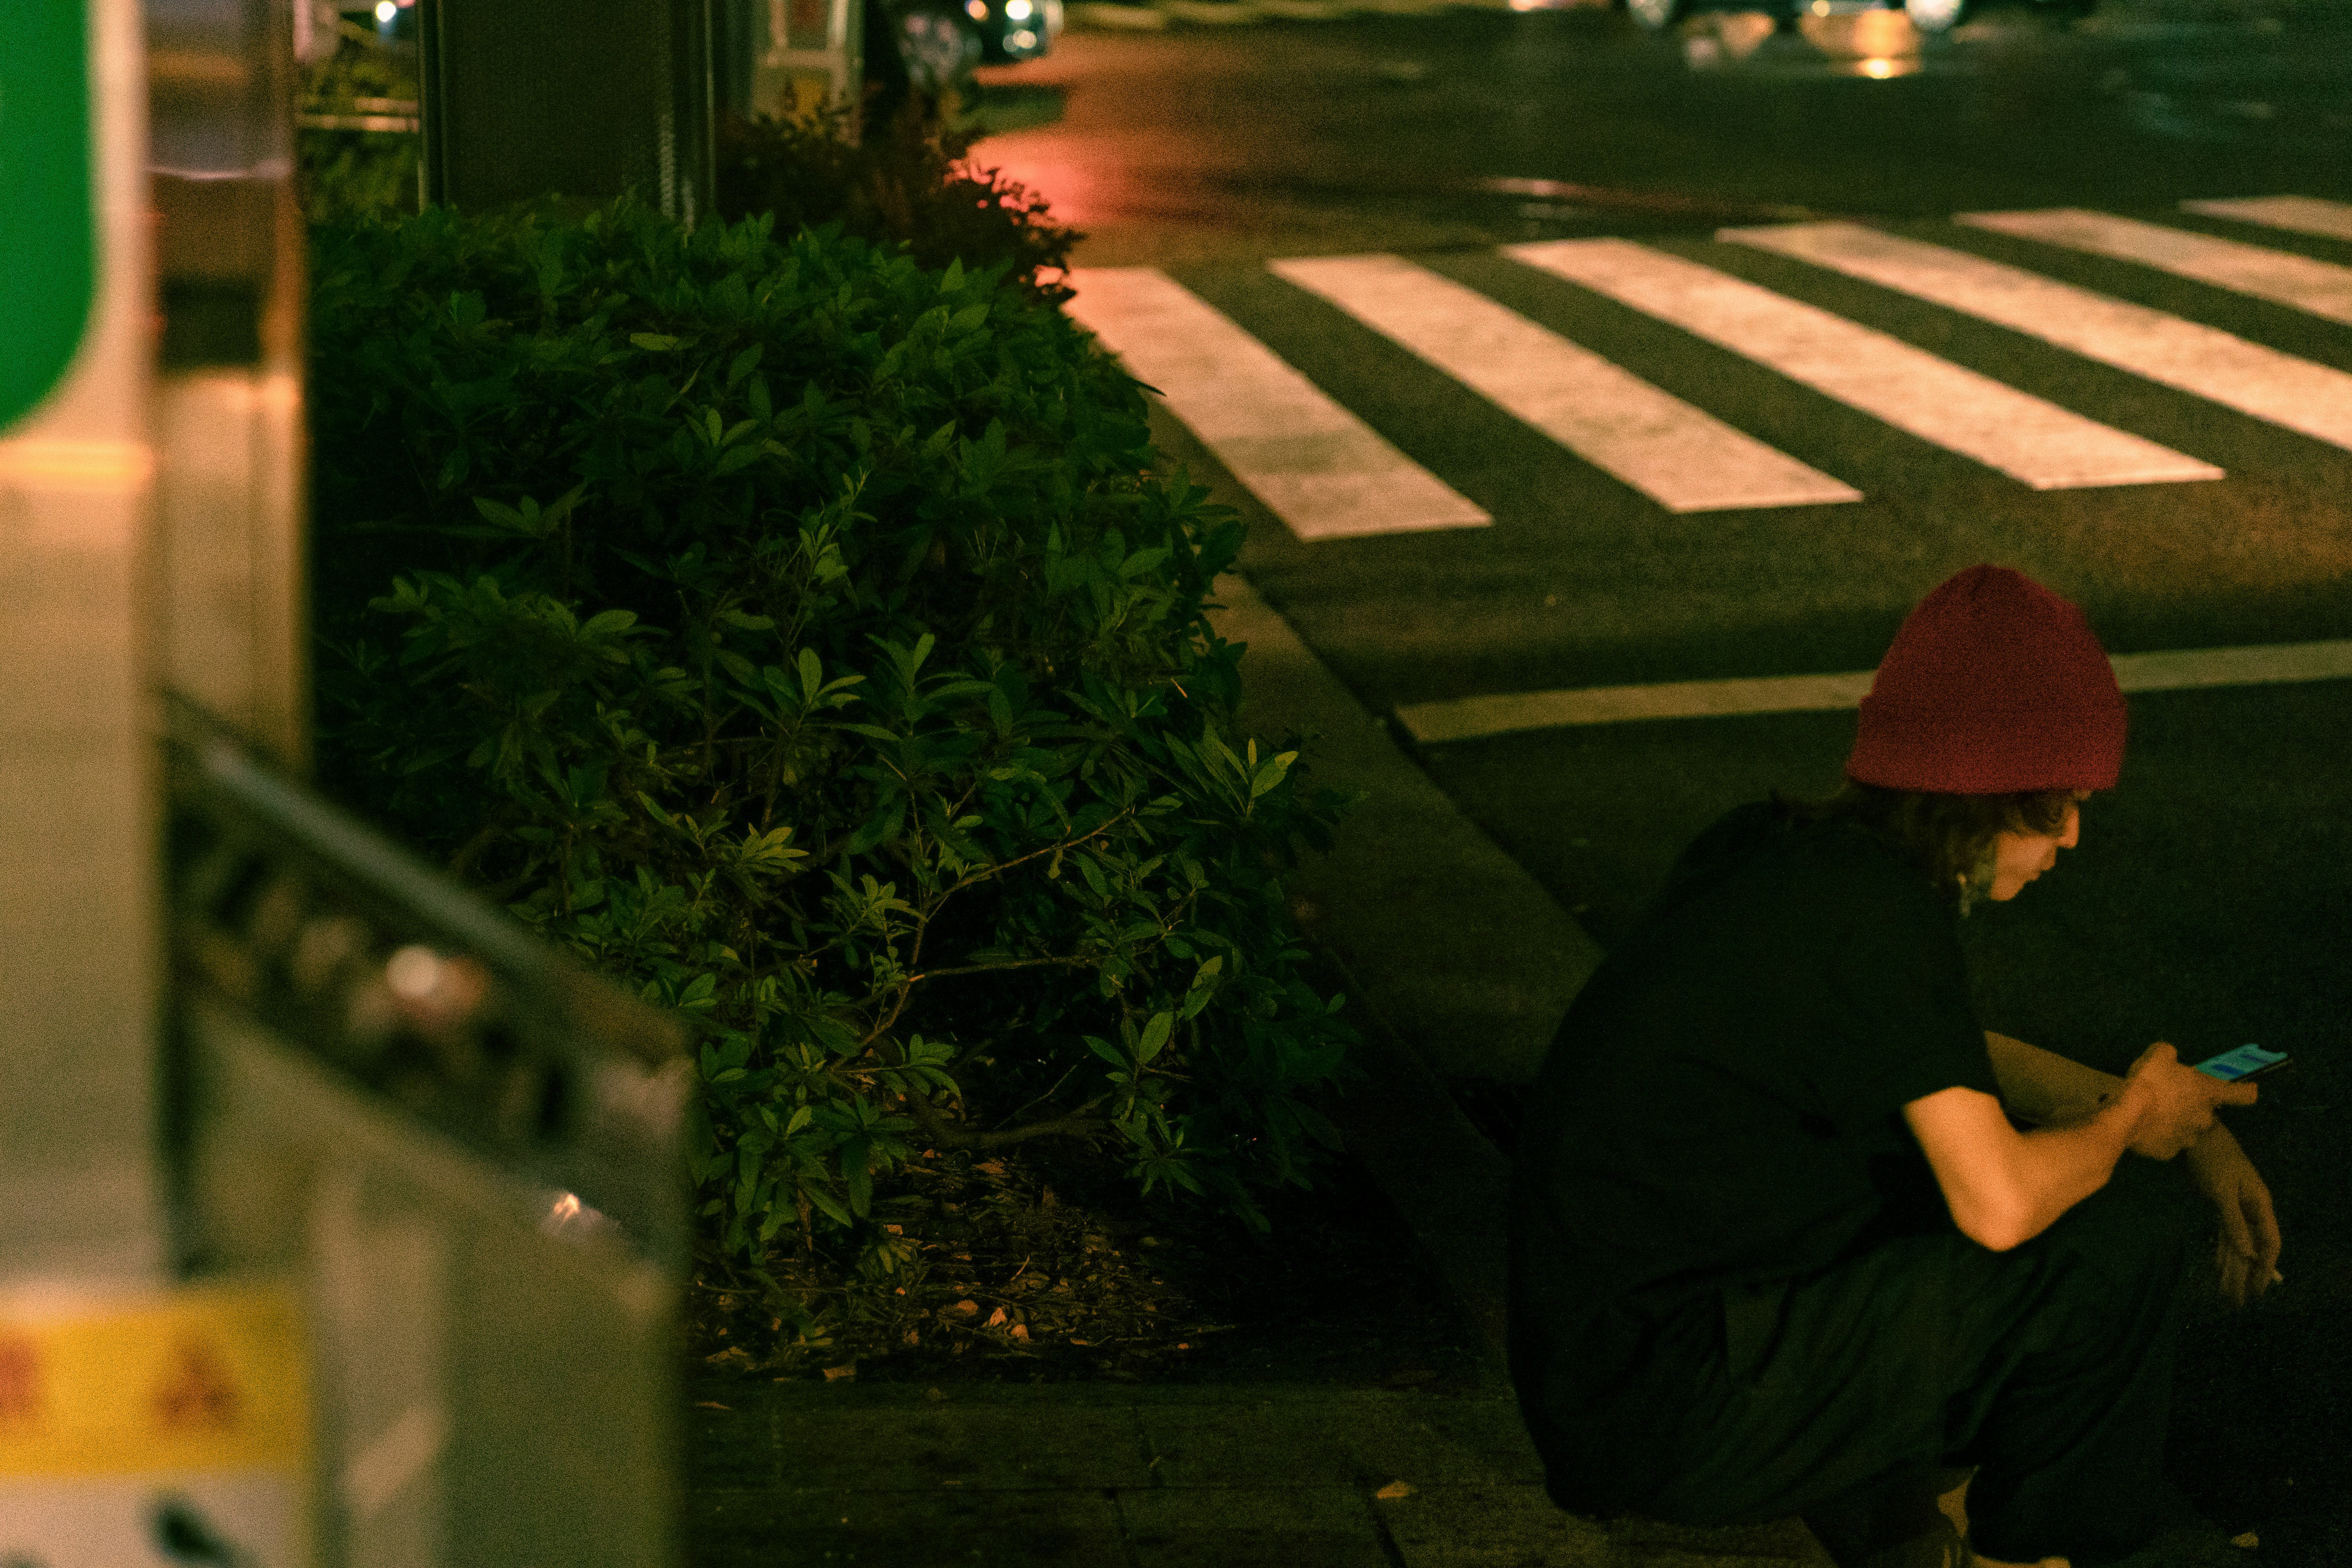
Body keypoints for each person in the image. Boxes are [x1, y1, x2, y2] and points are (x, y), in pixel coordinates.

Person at [1506, 565, 2284, 1568]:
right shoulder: (1881, 918)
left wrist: (2185, 1123)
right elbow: (1998, 1202)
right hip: (1676, 1402)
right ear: (1985, 793)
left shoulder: (1781, 853)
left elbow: (1943, 1054)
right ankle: (2044, 1550)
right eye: (2059, 806)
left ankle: (1920, 1521)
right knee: (2107, 1247)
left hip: (1610, 1368)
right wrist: (2132, 1123)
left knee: (1969, 1185)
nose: (2075, 836)